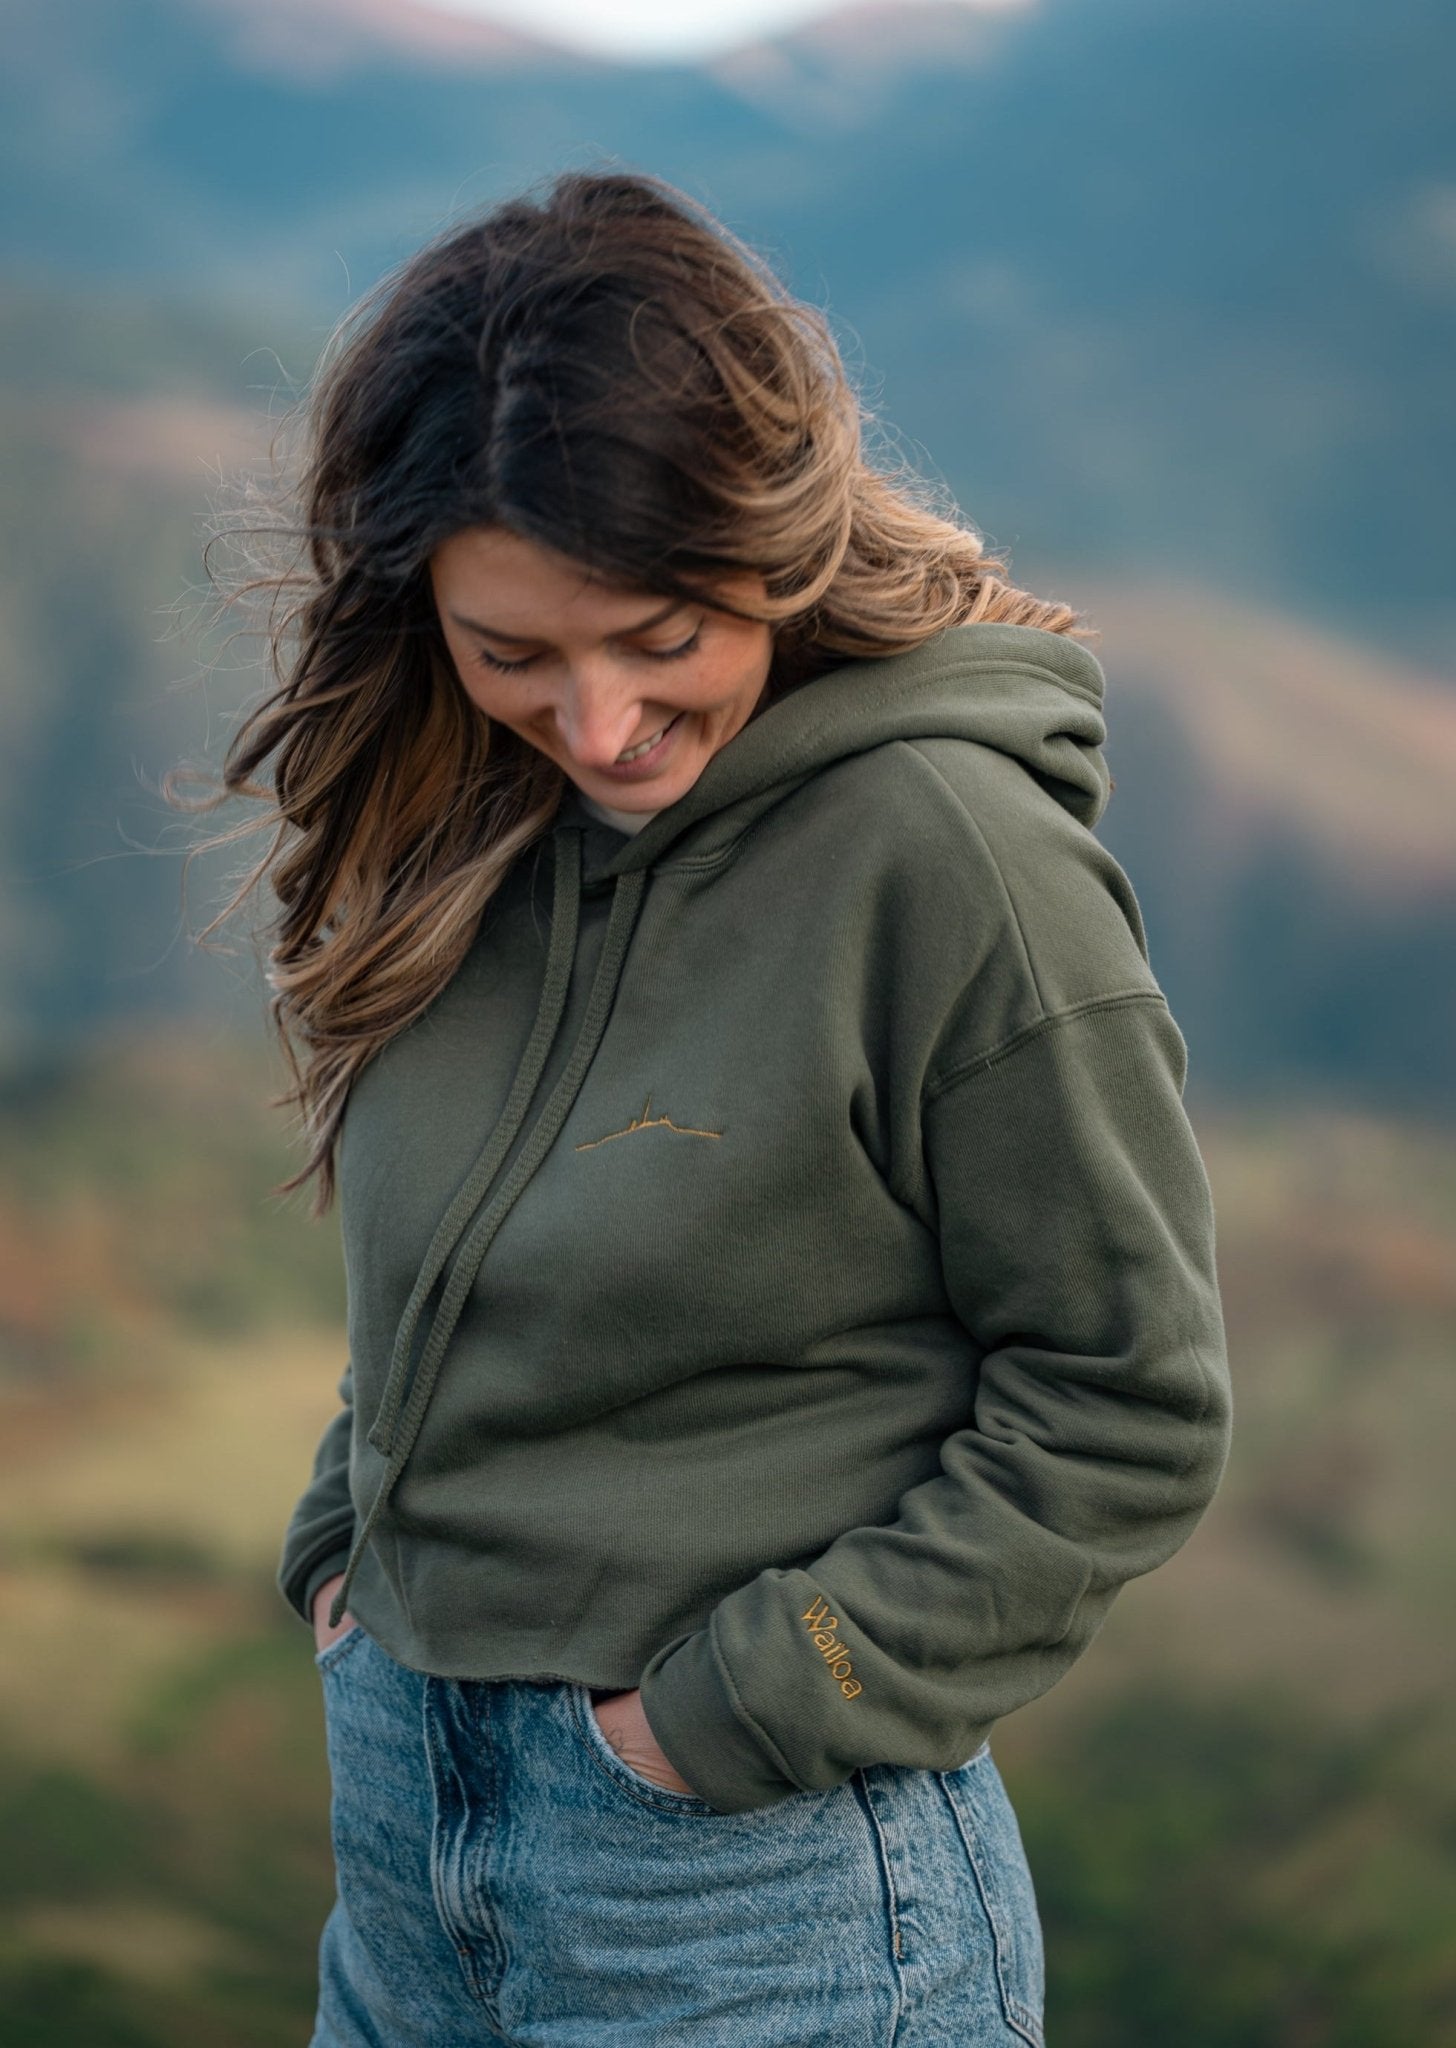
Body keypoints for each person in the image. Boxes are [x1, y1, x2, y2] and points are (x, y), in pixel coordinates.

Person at [184, 167, 1231, 2045]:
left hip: (757, 1892)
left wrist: (731, 1710)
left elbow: (1125, 1398)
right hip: (407, 1855)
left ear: (776, 538)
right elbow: (462, 1274)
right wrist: (349, 1552)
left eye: (660, 638)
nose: (598, 728)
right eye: (516, 654)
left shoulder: (953, 857)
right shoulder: (474, 821)